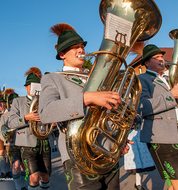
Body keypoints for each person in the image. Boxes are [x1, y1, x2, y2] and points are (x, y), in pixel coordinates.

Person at [39, 23, 133, 190]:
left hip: (106, 151)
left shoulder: (96, 77)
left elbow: (108, 115)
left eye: (82, 46)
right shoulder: (53, 78)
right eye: (74, 47)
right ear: (62, 54)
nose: (81, 50)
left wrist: (117, 139)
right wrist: (87, 98)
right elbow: (46, 112)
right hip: (78, 154)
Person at [137, 44, 178, 190]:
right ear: (147, 63)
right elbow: (143, 107)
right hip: (161, 135)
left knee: (172, 184)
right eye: (157, 57)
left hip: (174, 133)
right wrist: (171, 95)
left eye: (162, 56)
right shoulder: (141, 79)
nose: (162, 59)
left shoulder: (168, 78)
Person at [8, 67, 51, 190]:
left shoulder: (44, 101)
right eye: (31, 86)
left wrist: (52, 123)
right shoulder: (18, 101)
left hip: (44, 142)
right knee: (34, 177)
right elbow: (11, 123)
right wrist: (26, 117)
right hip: (27, 144)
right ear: (26, 87)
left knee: (45, 177)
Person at [0, 88, 27, 190]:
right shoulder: (5, 115)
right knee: (15, 165)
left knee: (23, 166)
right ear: (10, 104)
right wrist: (6, 138)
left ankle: (23, 185)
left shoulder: (21, 113)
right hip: (11, 144)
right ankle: (17, 187)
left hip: (22, 142)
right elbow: (1, 129)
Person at [124, 115, 155, 190]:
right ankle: (138, 183)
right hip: (129, 136)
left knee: (142, 162)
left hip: (139, 136)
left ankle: (138, 184)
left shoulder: (139, 113)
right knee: (135, 161)